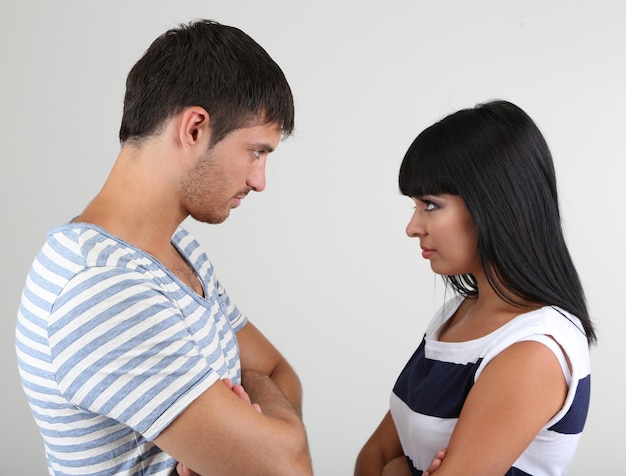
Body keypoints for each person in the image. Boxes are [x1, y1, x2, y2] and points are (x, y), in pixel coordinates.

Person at [15, 19, 313, 475]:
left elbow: (277, 372)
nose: (260, 180)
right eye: (256, 151)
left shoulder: (175, 250)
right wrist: (251, 427)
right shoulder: (102, 287)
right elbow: (287, 465)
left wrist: (245, 413)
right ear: (194, 128)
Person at [354, 100, 595, 476]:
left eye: (430, 205)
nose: (412, 227)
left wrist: (399, 470)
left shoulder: (534, 349)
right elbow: (373, 457)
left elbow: (390, 462)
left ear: (494, 204)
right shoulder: (455, 313)